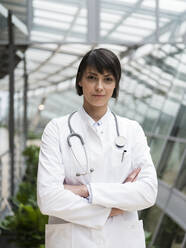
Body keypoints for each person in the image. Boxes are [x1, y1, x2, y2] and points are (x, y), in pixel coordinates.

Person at [37, 48, 158, 248]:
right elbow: (48, 199)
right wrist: (113, 209)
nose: (99, 87)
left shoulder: (132, 130)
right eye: (92, 77)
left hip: (122, 240)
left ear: (116, 84)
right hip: (74, 241)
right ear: (80, 81)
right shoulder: (56, 129)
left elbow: (147, 192)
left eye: (108, 79)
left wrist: (85, 190)